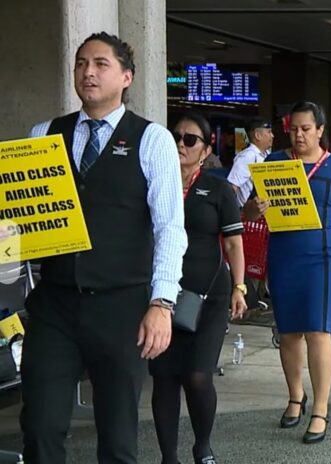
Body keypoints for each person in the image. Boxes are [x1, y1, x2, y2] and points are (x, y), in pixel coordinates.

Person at [20, 32, 187, 463]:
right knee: (39, 427)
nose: (88, 72)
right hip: (54, 304)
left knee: (116, 439)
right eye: (80, 64)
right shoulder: (44, 135)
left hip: (121, 306)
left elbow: (170, 227)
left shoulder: (152, 140)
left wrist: (162, 302)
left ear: (126, 77)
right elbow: (26, 219)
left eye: (100, 64)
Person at [243, 101, 331, 444]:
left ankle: (320, 409)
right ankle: (296, 396)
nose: (299, 135)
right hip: (283, 252)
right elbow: (248, 208)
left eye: (306, 129)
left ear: (321, 131)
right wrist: (254, 207)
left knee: (318, 331)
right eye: (293, 129)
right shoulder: (275, 162)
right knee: (289, 330)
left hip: (322, 254)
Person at [149, 114, 248, 464]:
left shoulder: (218, 189)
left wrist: (240, 286)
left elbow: (234, 244)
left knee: (197, 375)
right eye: (176, 136)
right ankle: (168, 457)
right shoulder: (155, 183)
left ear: (205, 150)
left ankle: (202, 445)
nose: (180, 144)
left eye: (190, 140)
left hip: (208, 296)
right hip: (162, 296)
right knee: (164, 377)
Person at [227, 117, 274, 207]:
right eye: (269, 132)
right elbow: (232, 187)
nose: (272, 136)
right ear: (257, 135)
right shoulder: (247, 156)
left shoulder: (268, 155)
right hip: (248, 212)